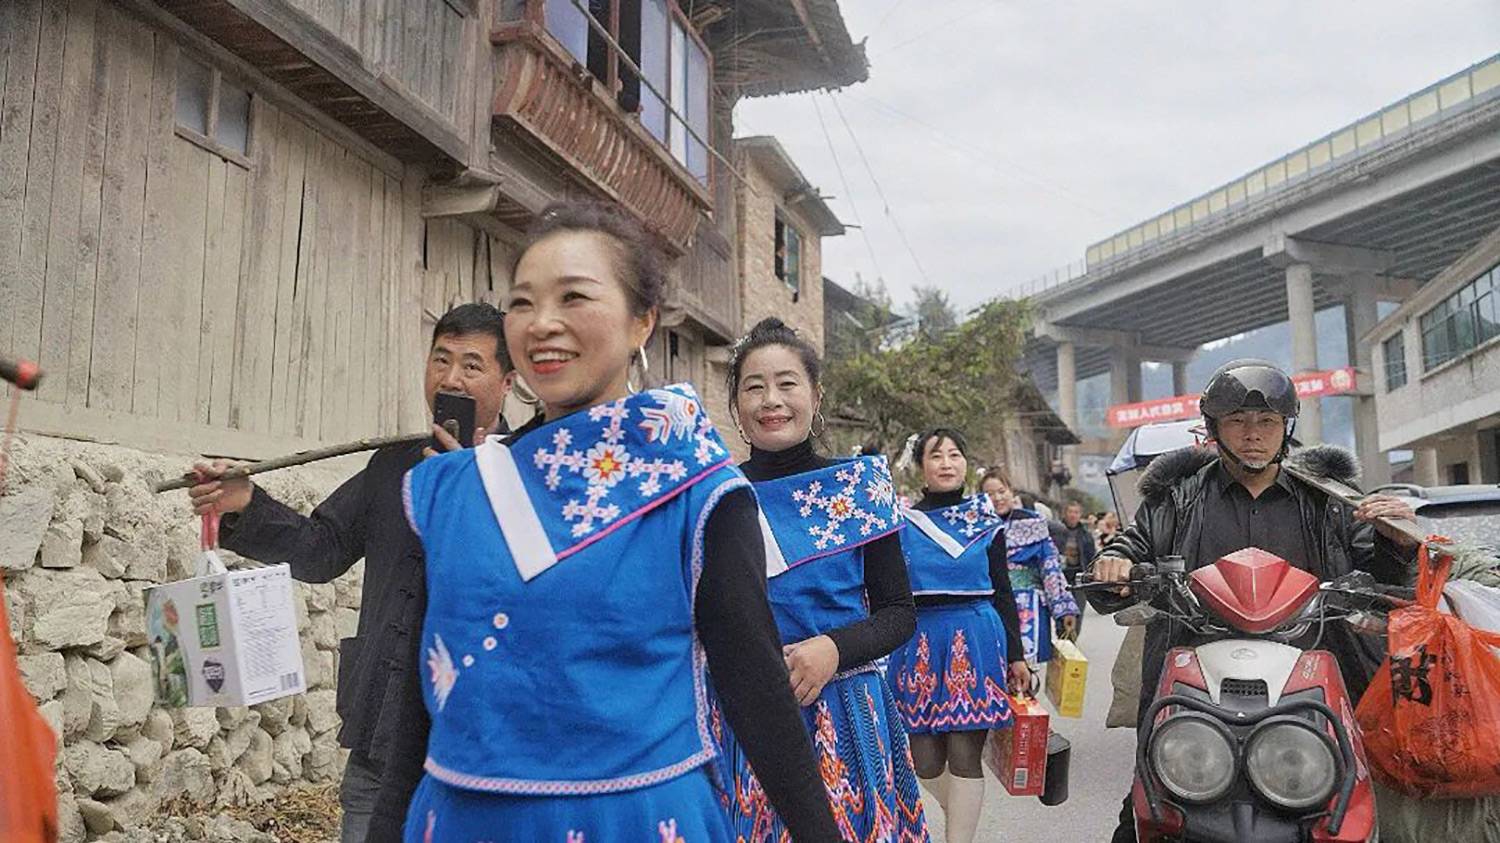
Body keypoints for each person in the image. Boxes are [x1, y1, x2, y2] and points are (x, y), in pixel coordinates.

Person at [369, 201, 841, 842]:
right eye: (523, 302)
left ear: (641, 321)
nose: (543, 323)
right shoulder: (458, 487)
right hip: (460, 819)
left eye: (574, 297)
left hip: (633, 820)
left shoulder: (697, 489)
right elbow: (421, 704)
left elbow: (754, 687)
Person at [186, 303, 514, 843]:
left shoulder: (522, 473)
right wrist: (245, 503)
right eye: (441, 359)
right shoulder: (394, 464)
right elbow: (322, 549)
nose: (450, 378)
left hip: (480, 743)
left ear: (508, 382)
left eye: (472, 365)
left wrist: (466, 489)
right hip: (383, 729)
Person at [1086, 359, 1417, 843]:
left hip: (1308, 680)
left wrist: (1396, 541)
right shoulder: (1176, 498)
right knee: (1149, 807)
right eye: (1237, 420)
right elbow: (1130, 548)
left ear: (1286, 428)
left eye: (1267, 421)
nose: (1253, 434)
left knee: (1349, 807)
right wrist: (1113, 563)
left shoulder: (1329, 498)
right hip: (1198, 685)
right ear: (1214, 429)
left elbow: (1388, 579)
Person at [715, 316, 928, 840]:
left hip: (844, 709)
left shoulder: (859, 488)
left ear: (816, 394)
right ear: (736, 406)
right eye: (754, 387)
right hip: (744, 716)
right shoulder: (715, 497)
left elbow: (899, 613)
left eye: (787, 383)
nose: (771, 400)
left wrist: (833, 649)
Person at [887, 429, 1028, 843]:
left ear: (966, 464)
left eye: (954, 454)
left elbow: (1003, 591)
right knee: (924, 761)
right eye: (936, 456)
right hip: (919, 642)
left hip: (975, 637)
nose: (946, 463)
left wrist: (1016, 655)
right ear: (921, 467)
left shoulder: (986, 518)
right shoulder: (901, 522)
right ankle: (960, 814)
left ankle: (958, 836)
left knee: (966, 755)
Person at [980, 470, 1080, 662]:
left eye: (1002, 491)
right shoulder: (974, 530)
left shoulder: (1034, 525)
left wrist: (1064, 609)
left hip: (1027, 605)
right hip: (989, 607)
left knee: (1026, 668)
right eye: (989, 494)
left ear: (1011, 492)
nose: (997, 498)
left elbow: (1051, 569)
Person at [1049, 500, 1097, 586]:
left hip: (1079, 572)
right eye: (1070, 512)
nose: (1073, 515)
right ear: (1065, 513)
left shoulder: (1086, 535)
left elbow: (1091, 557)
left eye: (1076, 512)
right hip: (1060, 572)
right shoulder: (1055, 531)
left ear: (1080, 515)